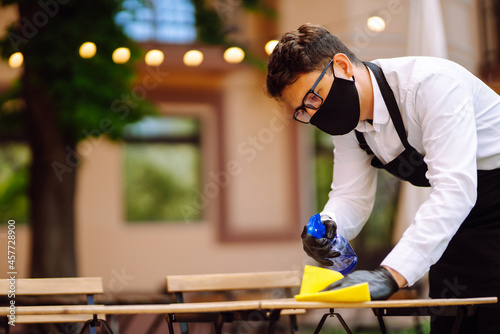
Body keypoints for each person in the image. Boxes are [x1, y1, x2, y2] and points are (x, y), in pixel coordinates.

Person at [265, 23, 500, 333]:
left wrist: (391, 273)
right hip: (463, 221)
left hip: (478, 198)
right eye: (302, 111)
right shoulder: (349, 125)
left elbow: (455, 189)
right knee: (450, 314)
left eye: (313, 98)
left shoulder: (430, 85)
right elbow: (351, 196)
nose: (313, 114)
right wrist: (331, 224)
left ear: (342, 65)